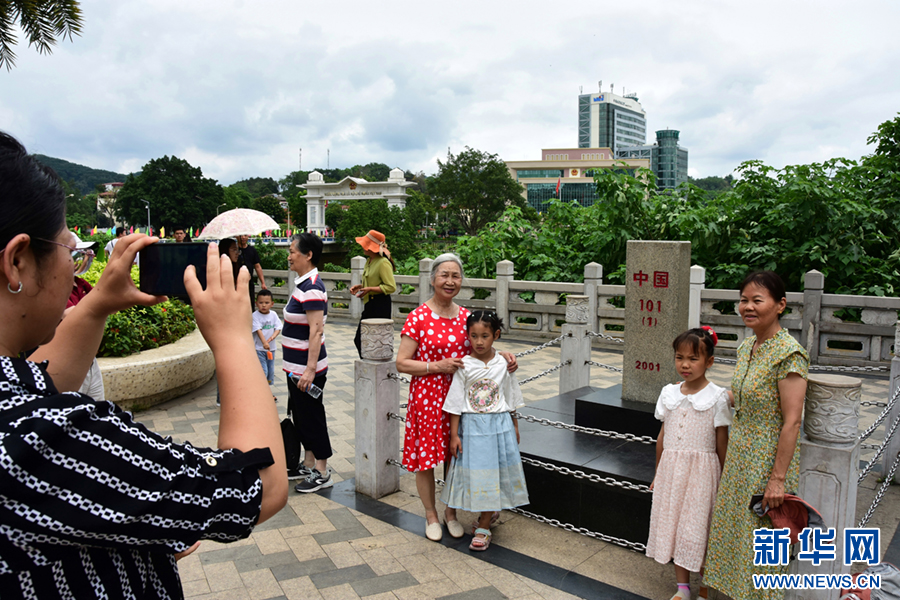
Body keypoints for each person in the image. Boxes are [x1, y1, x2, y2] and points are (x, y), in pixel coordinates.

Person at [0, 131, 287, 597]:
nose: (77, 268)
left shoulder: (17, 408)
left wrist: (96, 305)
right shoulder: (44, 437)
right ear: (17, 261)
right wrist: (234, 339)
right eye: (71, 253)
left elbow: (40, 383)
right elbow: (256, 487)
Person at [396, 253, 517, 542]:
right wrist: (435, 366)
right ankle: (431, 515)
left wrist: (504, 355)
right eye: (444, 275)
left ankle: (451, 511)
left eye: (456, 276)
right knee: (426, 460)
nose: (450, 281)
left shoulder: (465, 317)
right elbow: (401, 363)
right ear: (433, 279)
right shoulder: (419, 317)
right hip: (428, 398)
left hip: (464, 402)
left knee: (456, 456)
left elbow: (482, 346)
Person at [705, 271, 809, 600]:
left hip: (766, 459)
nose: (747, 307)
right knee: (737, 535)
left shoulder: (789, 354)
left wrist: (777, 479)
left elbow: (792, 421)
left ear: (780, 305)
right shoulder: (749, 344)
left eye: (757, 300)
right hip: (739, 455)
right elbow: (743, 395)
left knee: (762, 542)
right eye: (743, 300)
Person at [645, 327, 731, 600]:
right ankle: (682, 586)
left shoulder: (717, 397)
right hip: (672, 471)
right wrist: (658, 472)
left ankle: (705, 584)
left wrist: (725, 478)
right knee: (677, 526)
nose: (685, 364)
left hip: (702, 473)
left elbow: (721, 442)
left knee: (697, 528)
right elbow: (662, 437)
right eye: (680, 357)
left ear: (709, 362)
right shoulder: (668, 393)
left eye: (693, 359)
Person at [440, 310, 529, 552]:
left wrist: (515, 425)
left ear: (496, 335)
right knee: (479, 473)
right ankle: (484, 515)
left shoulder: (504, 363)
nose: (479, 342)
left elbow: (510, 396)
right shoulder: (464, 365)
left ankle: (485, 525)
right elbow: (456, 403)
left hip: (499, 426)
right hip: (472, 428)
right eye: (474, 336)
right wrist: (454, 435)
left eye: (485, 336)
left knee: (495, 472)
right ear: (467, 336)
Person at [282, 233, 333, 492]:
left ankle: (322, 470)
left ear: (308, 255)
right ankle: (309, 461)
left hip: (306, 369)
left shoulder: (312, 286)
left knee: (312, 417)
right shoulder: (302, 283)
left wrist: (310, 370)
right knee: (302, 417)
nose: (289, 256)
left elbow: (316, 331)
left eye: (293, 251)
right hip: (296, 368)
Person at [349, 230, 396, 358]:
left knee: (376, 342)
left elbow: (391, 287)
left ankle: (373, 368)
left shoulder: (383, 262)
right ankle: (368, 366)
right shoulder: (370, 261)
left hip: (380, 304)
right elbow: (373, 281)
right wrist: (361, 287)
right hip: (370, 304)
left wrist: (370, 289)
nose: (363, 247)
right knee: (363, 340)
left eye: (365, 244)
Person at [253, 289, 282, 396]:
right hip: (259, 349)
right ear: (256, 303)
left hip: (271, 350)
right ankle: (264, 394)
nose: (263, 305)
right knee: (263, 371)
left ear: (272, 304)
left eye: (266, 303)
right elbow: (258, 330)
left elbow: (278, 328)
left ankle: (266, 392)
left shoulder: (273, 315)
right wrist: (265, 342)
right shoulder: (255, 315)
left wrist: (272, 338)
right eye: (260, 303)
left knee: (270, 372)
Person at [237, 234, 266, 309]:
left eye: (245, 235)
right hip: (235, 283)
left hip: (249, 283)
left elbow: (257, 266)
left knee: (250, 304)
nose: (243, 237)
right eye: (241, 235)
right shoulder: (234, 250)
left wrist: (262, 282)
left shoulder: (252, 250)